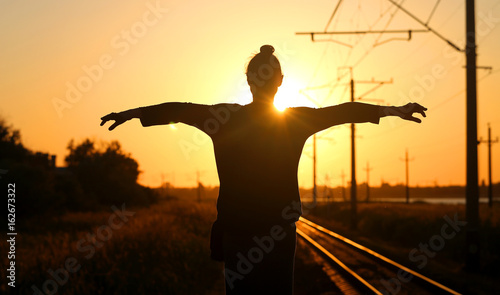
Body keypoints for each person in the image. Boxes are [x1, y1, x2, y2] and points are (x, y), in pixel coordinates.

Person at [100, 45, 427, 294]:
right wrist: (393, 109)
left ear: (247, 80)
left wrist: (133, 113)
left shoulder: (224, 118)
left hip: (237, 232)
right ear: (281, 81)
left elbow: (179, 110)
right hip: (278, 233)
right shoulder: (294, 121)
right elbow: (340, 112)